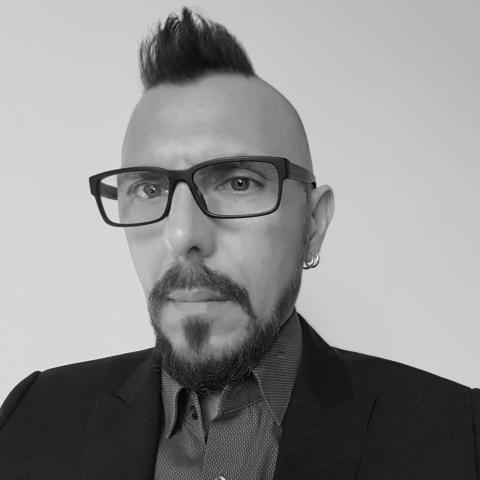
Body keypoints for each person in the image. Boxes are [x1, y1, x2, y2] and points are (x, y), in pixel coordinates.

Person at [0, 7, 478, 479]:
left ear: (313, 223)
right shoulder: (31, 415)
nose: (183, 235)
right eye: (149, 189)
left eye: (238, 183)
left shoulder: (460, 434)